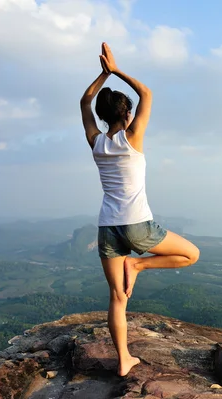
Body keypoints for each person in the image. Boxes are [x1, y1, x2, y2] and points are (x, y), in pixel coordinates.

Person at [80, 42, 200, 376]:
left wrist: (101, 76)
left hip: (107, 227)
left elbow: (84, 101)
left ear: (104, 117)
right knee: (192, 254)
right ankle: (140, 266)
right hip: (137, 225)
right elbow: (145, 91)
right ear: (127, 114)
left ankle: (123, 361)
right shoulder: (133, 137)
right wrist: (115, 70)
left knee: (117, 297)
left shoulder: (97, 141)